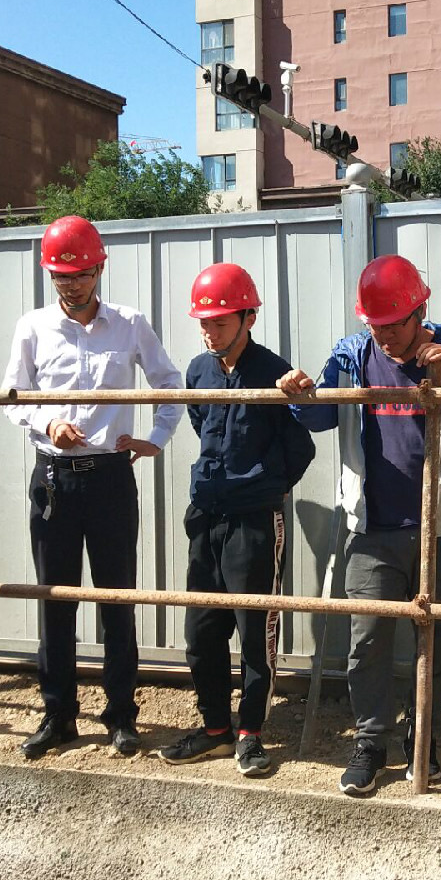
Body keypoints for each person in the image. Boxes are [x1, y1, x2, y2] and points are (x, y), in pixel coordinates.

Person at [277, 254, 441, 797]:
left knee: (435, 642)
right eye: (375, 324)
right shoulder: (350, 355)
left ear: (420, 311)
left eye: (394, 324)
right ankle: (370, 743)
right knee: (368, 639)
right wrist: (300, 395)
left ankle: (423, 738)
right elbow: (320, 417)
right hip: (372, 526)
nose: (385, 335)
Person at [1, 215, 184, 759]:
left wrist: (156, 438)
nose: (72, 284)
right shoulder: (33, 327)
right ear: (49, 275)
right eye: (61, 275)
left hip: (109, 479)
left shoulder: (129, 324)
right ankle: (58, 715)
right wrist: (47, 423)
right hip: (53, 480)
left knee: (116, 600)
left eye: (81, 273)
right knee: (55, 601)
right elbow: (13, 396)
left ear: (100, 268)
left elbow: (169, 382)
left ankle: (121, 715)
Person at [158, 263, 315, 777]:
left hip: (254, 520)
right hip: (206, 514)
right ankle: (214, 730)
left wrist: (263, 485)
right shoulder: (198, 372)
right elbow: (202, 424)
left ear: (248, 318)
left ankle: (250, 733)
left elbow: (300, 448)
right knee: (202, 630)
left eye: (220, 322)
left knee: (254, 631)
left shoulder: (274, 372)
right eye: (204, 322)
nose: (210, 331)